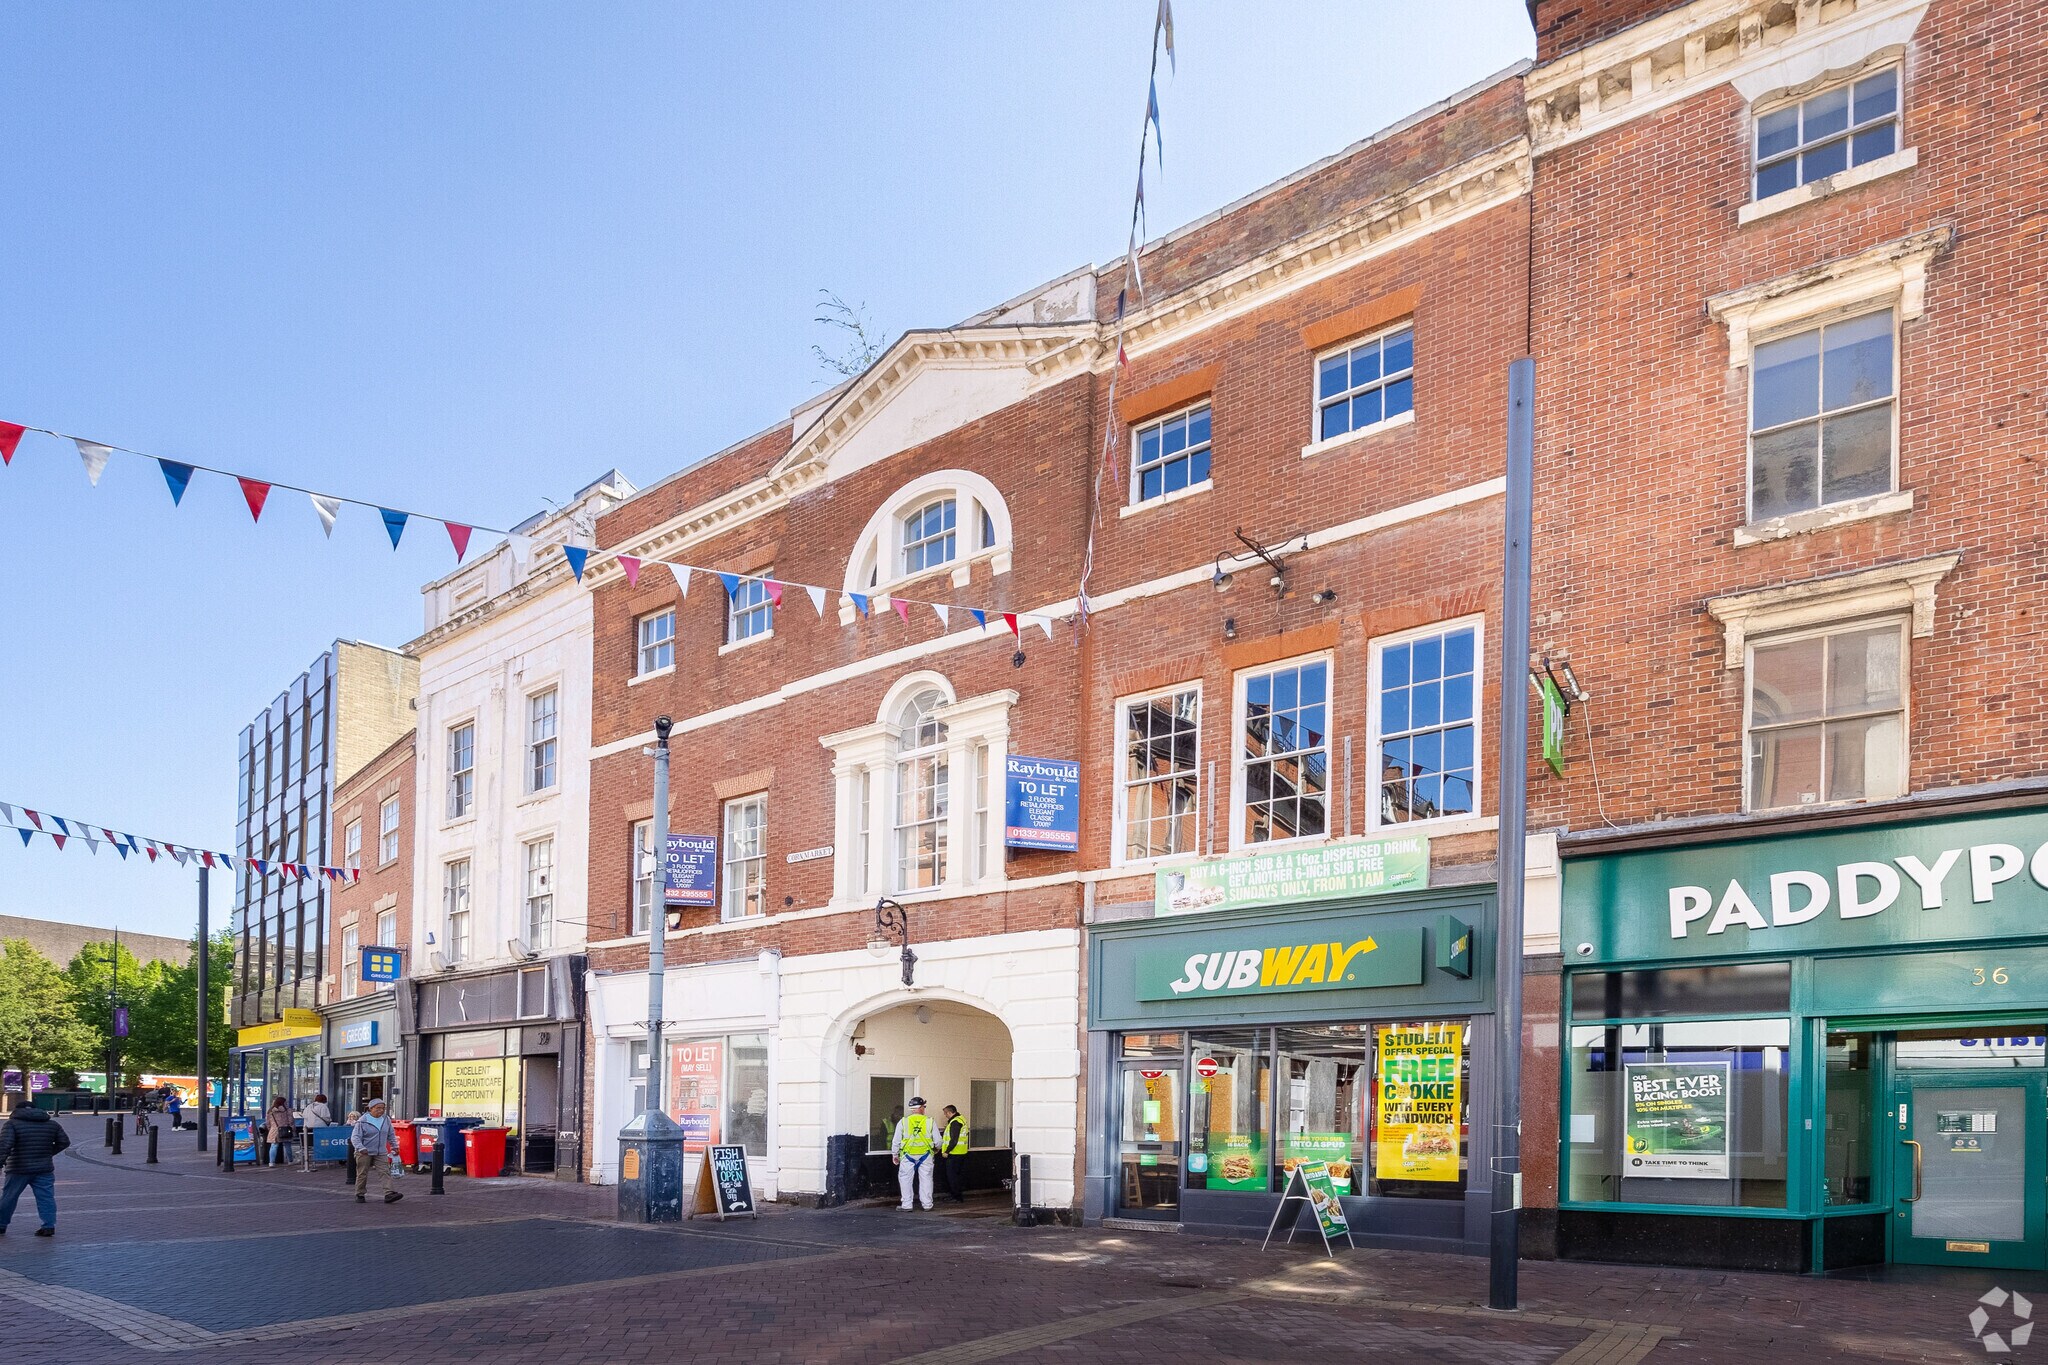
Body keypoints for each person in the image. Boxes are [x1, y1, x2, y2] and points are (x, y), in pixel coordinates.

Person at [0, 1102, 71, 1237]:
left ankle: (1, 1225)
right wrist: (48, 1153)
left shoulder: (12, 1124)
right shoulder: (52, 1124)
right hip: (44, 1168)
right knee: (46, 1197)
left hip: (18, 1168)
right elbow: (64, 1142)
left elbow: (5, 1145)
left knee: (9, 1197)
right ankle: (48, 1226)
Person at [350, 1097, 403, 1204]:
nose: (381, 1110)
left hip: (381, 1151)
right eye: (378, 1108)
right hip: (364, 1152)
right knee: (362, 1173)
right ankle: (359, 1193)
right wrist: (361, 1148)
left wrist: (394, 1146)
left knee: (385, 1172)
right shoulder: (362, 1121)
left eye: (383, 1108)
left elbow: (391, 1134)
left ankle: (389, 1193)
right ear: (371, 1109)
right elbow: (355, 1137)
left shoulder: (386, 1119)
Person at [890, 1096, 936, 1212]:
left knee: (905, 1180)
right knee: (926, 1180)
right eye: (924, 1106)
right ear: (920, 1108)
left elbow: (896, 1140)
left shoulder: (903, 1122)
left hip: (907, 1156)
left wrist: (895, 1154)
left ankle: (907, 1205)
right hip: (926, 1156)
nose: (924, 1108)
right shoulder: (930, 1121)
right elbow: (938, 1141)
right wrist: (937, 1149)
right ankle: (927, 1205)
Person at [936, 1103, 969, 1204]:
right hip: (960, 1153)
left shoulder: (955, 1122)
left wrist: (946, 1151)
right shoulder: (960, 1119)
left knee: (952, 1176)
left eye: (946, 1113)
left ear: (950, 1112)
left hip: (954, 1154)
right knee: (956, 1176)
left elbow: (954, 1140)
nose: (945, 1115)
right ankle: (956, 1195)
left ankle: (956, 1197)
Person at [264, 1097, 294, 1166]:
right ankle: (290, 1161)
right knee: (287, 1145)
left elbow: (267, 1123)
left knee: (273, 1146)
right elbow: (291, 1121)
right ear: (283, 1103)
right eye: (285, 1102)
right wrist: (292, 1129)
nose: (286, 1103)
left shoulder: (270, 1111)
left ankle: (271, 1162)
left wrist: (270, 1129)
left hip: (274, 1130)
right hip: (286, 1129)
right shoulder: (287, 1110)